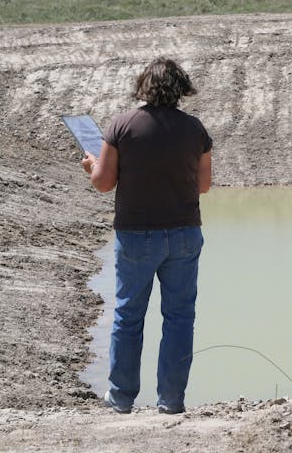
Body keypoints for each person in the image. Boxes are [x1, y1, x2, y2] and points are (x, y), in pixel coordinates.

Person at [81, 57, 213, 414]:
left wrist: (92, 166)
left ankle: (121, 398)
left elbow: (104, 183)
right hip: (185, 233)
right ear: (181, 87)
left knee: (128, 315)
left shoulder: (122, 126)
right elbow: (203, 185)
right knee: (180, 317)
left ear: (144, 86)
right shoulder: (195, 129)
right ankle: (171, 401)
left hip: (137, 235)